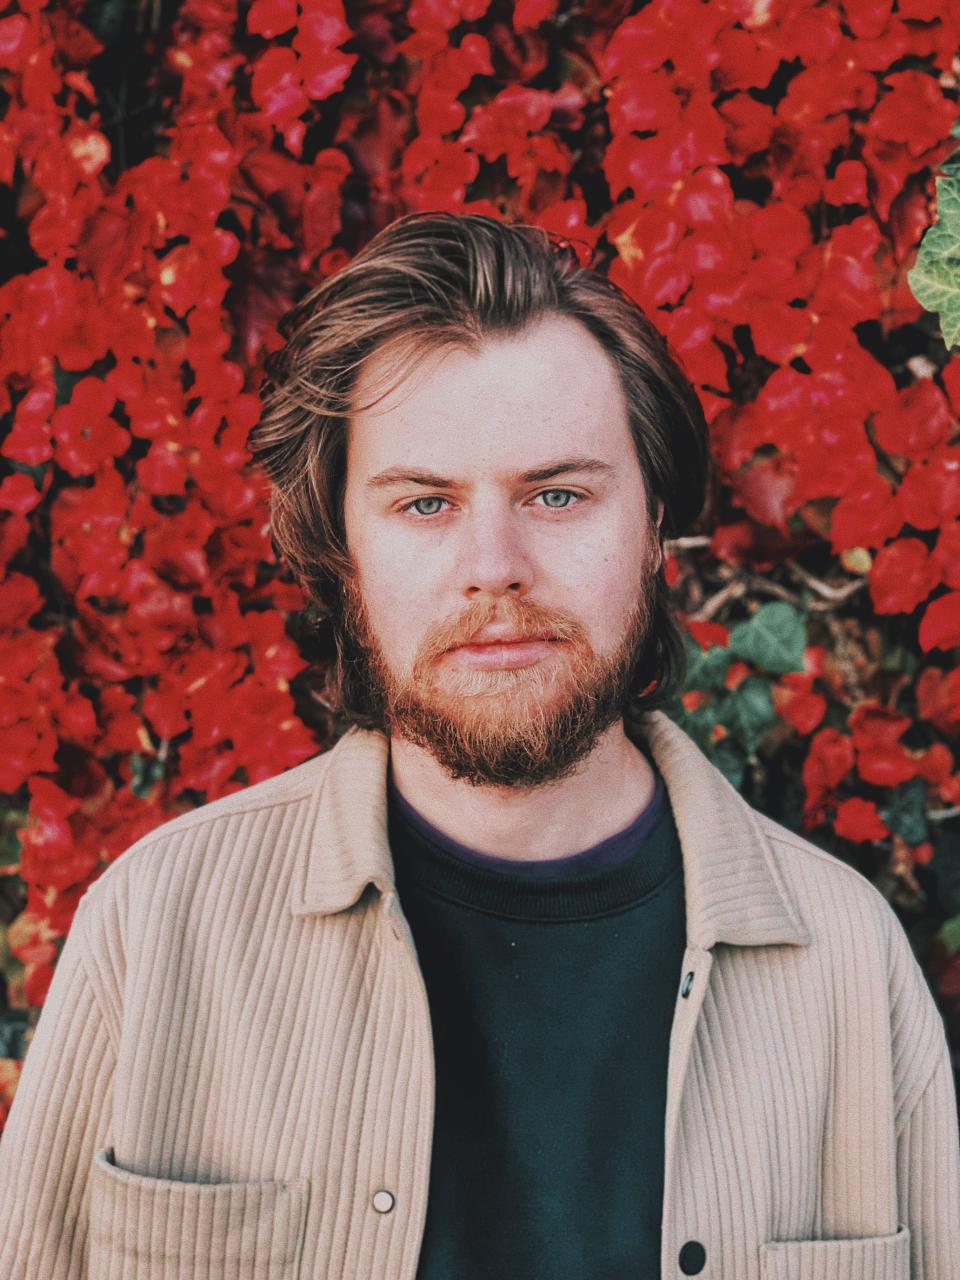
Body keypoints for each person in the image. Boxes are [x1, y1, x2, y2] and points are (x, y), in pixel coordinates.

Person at [0, 211, 957, 1280]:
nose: (494, 565)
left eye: (557, 494)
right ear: (342, 553)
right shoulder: (159, 925)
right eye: (424, 502)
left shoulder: (846, 965)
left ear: (653, 530)